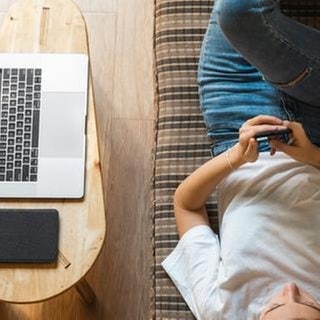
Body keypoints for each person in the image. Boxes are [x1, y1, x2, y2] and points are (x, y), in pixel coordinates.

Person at [161, 0, 320, 319]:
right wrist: (311, 155)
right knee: (239, 14)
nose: (289, 288)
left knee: (234, 11)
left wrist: (235, 158)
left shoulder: (218, 310)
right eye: (309, 300)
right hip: (315, 126)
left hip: (236, 117)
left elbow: (187, 205)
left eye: (273, 303)